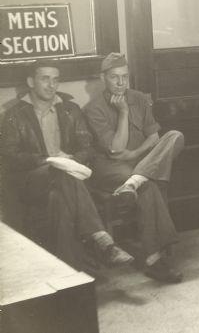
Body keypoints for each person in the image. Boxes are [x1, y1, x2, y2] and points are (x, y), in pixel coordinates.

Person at [0, 60, 133, 269]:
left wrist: (71, 159)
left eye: (56, 80)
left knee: (58, 199)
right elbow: (9, 155)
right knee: (59, 170)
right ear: (30, 82)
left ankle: (71, 268)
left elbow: (86, 146)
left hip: (66, 179)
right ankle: (102, 240)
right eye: (45, 79)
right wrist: (46, 160)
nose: (51, 85)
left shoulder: (70, 109)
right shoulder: (15, 115)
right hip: (31, 180)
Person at [84, 52, 184, 284]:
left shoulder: (139, 97)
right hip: (111, 167)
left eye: (125, 77)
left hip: (140, 161)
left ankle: (133, 183)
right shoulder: (93, 109)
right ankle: (154, 260)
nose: (121, 83)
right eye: (114, 77)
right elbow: (117, 150)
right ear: (103, 78)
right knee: (147, 184)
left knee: (175, 136)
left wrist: (136, 155)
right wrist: (123, 113)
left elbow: (154, 137)